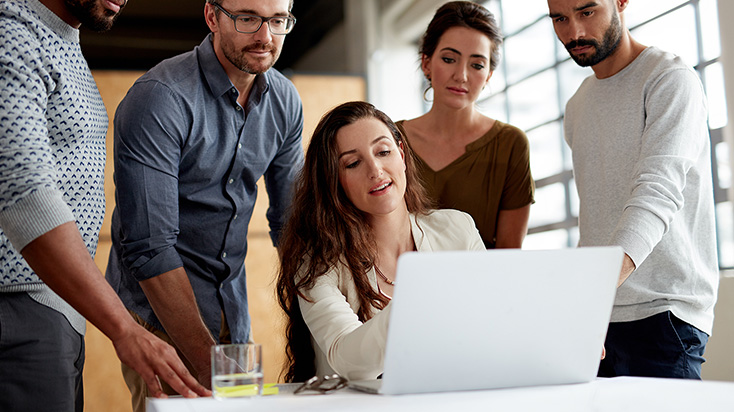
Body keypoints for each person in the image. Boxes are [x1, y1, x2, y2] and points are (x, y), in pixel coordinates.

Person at [0, 0, 210, 410]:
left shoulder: (62, 37)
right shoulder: (13, 31)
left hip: (55, 308)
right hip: (18, 308)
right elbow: (25, 196)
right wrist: (124, 329)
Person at [105, 0, 304, 409]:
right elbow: (149, 248)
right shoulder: (160, 98)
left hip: (233, 312)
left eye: (278, 21)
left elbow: (293, 225)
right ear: (212, 17)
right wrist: (206, 366)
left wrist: (328, 325)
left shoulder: (284, 100)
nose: (266, 37)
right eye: (248, 18)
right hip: (159, 317)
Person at [547, 0, 719, 379]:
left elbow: (657, 191)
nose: (573, 32)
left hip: (665, 312)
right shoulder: (577, 105)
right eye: (559, 18)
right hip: (601, 316)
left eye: (586, 11)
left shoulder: (669, 78)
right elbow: (594, 217)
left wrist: (592, 290)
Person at [276, 101, 485, 383]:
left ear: (401, 154)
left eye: (383, 152)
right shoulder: (317, 262)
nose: (375, 170)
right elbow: (347, 360)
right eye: (353, 163)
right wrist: (421, 301)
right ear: (334, 181)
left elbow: (486, 331)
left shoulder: (457, 230)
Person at [397, 1, 534, 249]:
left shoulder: (510, 144)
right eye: (449, 59)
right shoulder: (389, 139)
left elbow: (508, 254)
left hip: (482, 284)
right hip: (399, 285)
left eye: (477, 65)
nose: (461, 75)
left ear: (489, 75)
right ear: (426, 63)